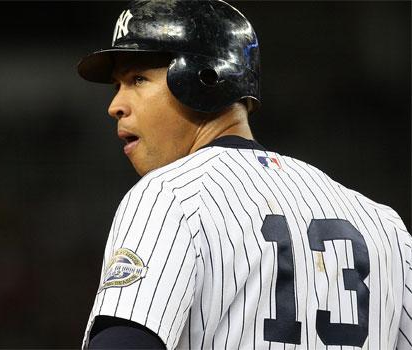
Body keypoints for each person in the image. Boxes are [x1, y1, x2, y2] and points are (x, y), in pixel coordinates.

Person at [76, 0, 412, 349]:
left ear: (204, 78)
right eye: (118, 85)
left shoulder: (170, 196)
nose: (115, 104)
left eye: (137, 79)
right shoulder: (384, 225)